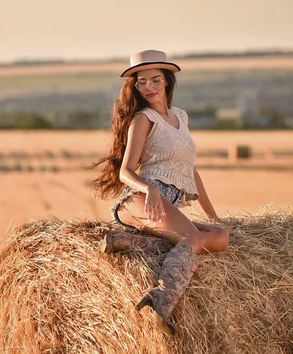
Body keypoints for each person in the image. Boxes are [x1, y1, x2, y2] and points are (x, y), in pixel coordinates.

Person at [91, 49, 230, 335]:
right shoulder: (143, 119)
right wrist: (149, 188)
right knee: (192, 238)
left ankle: (127, 242)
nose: (148, 87)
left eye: (155, 80)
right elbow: (125, 171)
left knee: (221, 237)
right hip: (140, 202)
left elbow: (190, 171)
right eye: (141, 82)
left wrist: (214, 216)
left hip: (168, 206)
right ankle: (162, 300)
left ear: (167, 81)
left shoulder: (181, 116)